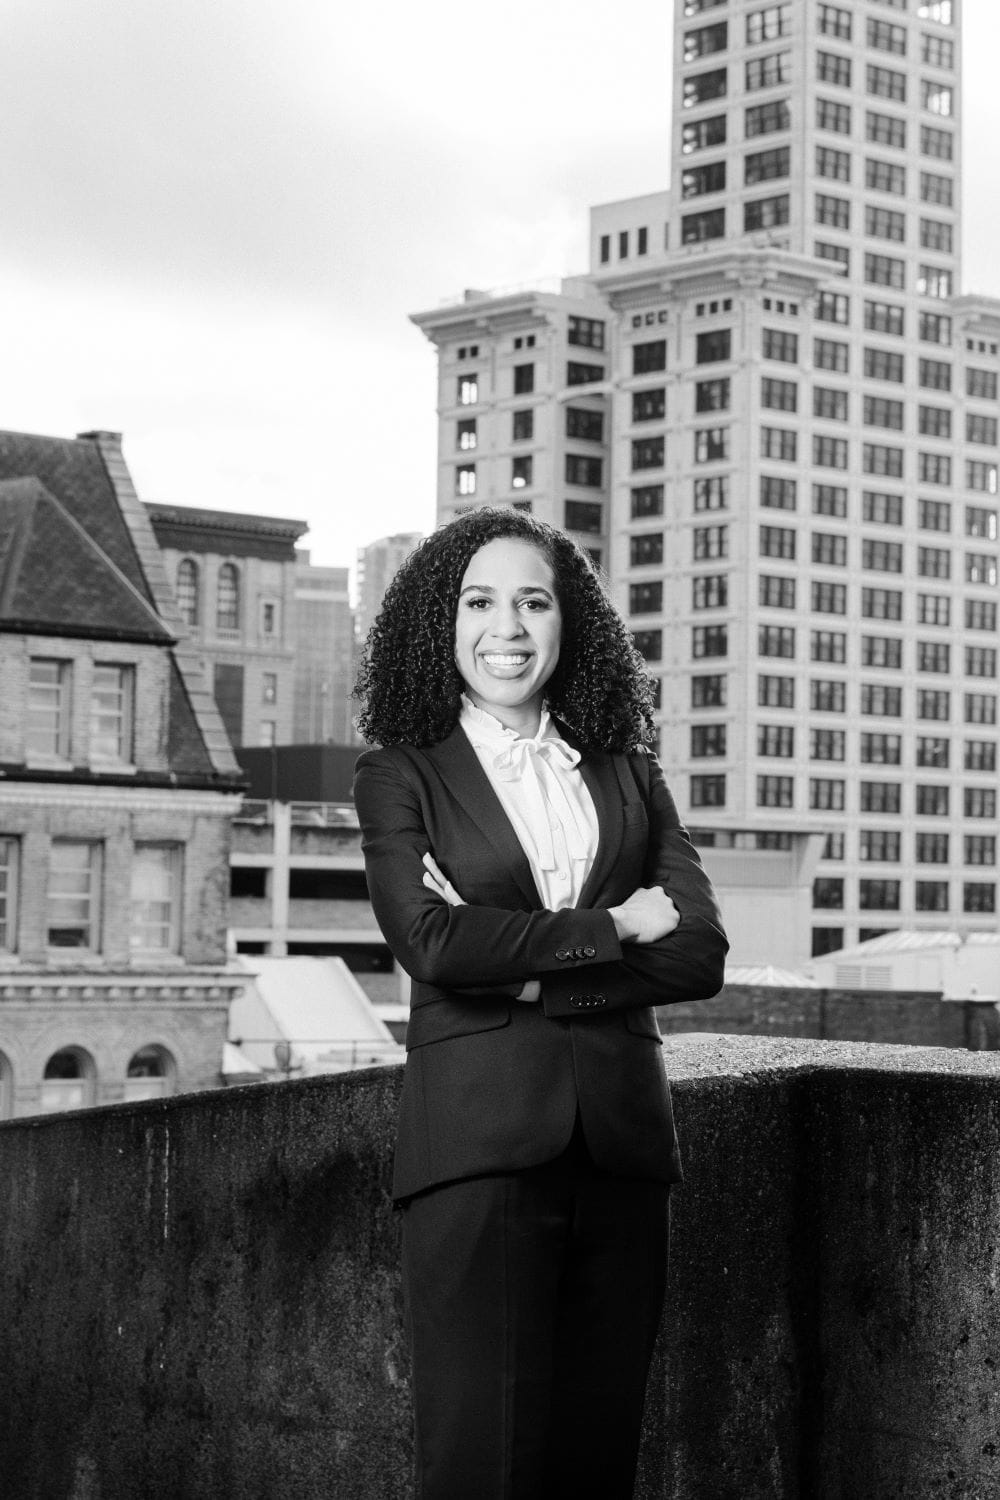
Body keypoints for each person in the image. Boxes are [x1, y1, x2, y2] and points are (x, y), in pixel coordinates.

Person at [353, 508, 727, 1500]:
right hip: (476, 1147)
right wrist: (616, 926)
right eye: (479, 603)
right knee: (481, 1463)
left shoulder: (626, 768)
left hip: (622, 1146)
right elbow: (430, 944)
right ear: (440, 623)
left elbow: (698, 954)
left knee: (597, 1462)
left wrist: (522, 970)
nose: (507, 629)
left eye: (533, 602)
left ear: (570, 623)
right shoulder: (401, 773)